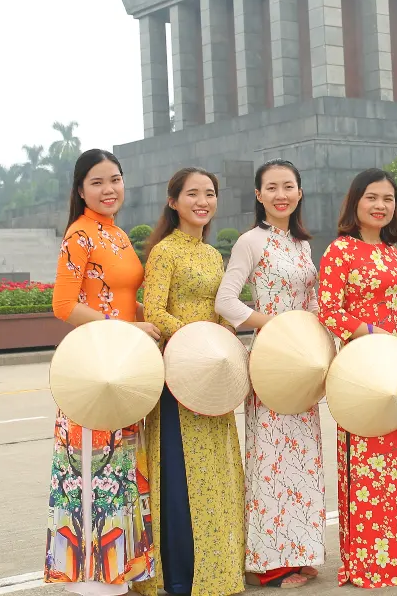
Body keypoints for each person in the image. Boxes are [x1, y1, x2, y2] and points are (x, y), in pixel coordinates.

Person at [317, 167, 397, 588]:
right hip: (362, 371)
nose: (380, 206)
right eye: (372, 197)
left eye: (388, 199)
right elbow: (330, 311)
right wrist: (372, 332)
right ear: (355, 202)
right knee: (367, 465)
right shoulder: (341, 251)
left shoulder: (391, 253)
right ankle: (366, 563)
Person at [44, 149, 161, 596]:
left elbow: (126, 294)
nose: (109, 189)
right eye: (97, 182)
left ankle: (118, 569)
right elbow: (63, 305)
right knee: (90, 465)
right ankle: (90, 578)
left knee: (121, 464)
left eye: (115, 179)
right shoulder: (79, 236)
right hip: (94, 367)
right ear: (80, 190)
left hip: (123, 365)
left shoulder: (117, 235)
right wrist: (126, 328)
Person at [132, 167, 245, 596]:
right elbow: (154, 312)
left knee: (215, 469)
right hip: (179, 375)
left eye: (210, 193)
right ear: (173, 200)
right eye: (193, 194)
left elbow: (221, 309)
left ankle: (218, 568)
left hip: (212, 375)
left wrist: (220, 336)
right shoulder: (165, 251)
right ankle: (181, 572)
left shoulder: (213, 255)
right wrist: (196, 339)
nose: (202, 201)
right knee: (182, 472)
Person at [214, 159, 325, 590]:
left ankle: (301, 552)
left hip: (304, 358)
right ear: (258, 195)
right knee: (272, 458)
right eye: (272, 188)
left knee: (303, 458)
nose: (282, 194)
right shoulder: (250, 241)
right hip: (272, 359)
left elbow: (313, 301)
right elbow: (227, 300)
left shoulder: (302, 245)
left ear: (299, 192)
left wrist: (317, 337)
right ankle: (272, 562)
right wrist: (271, 324)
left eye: (289, 186)